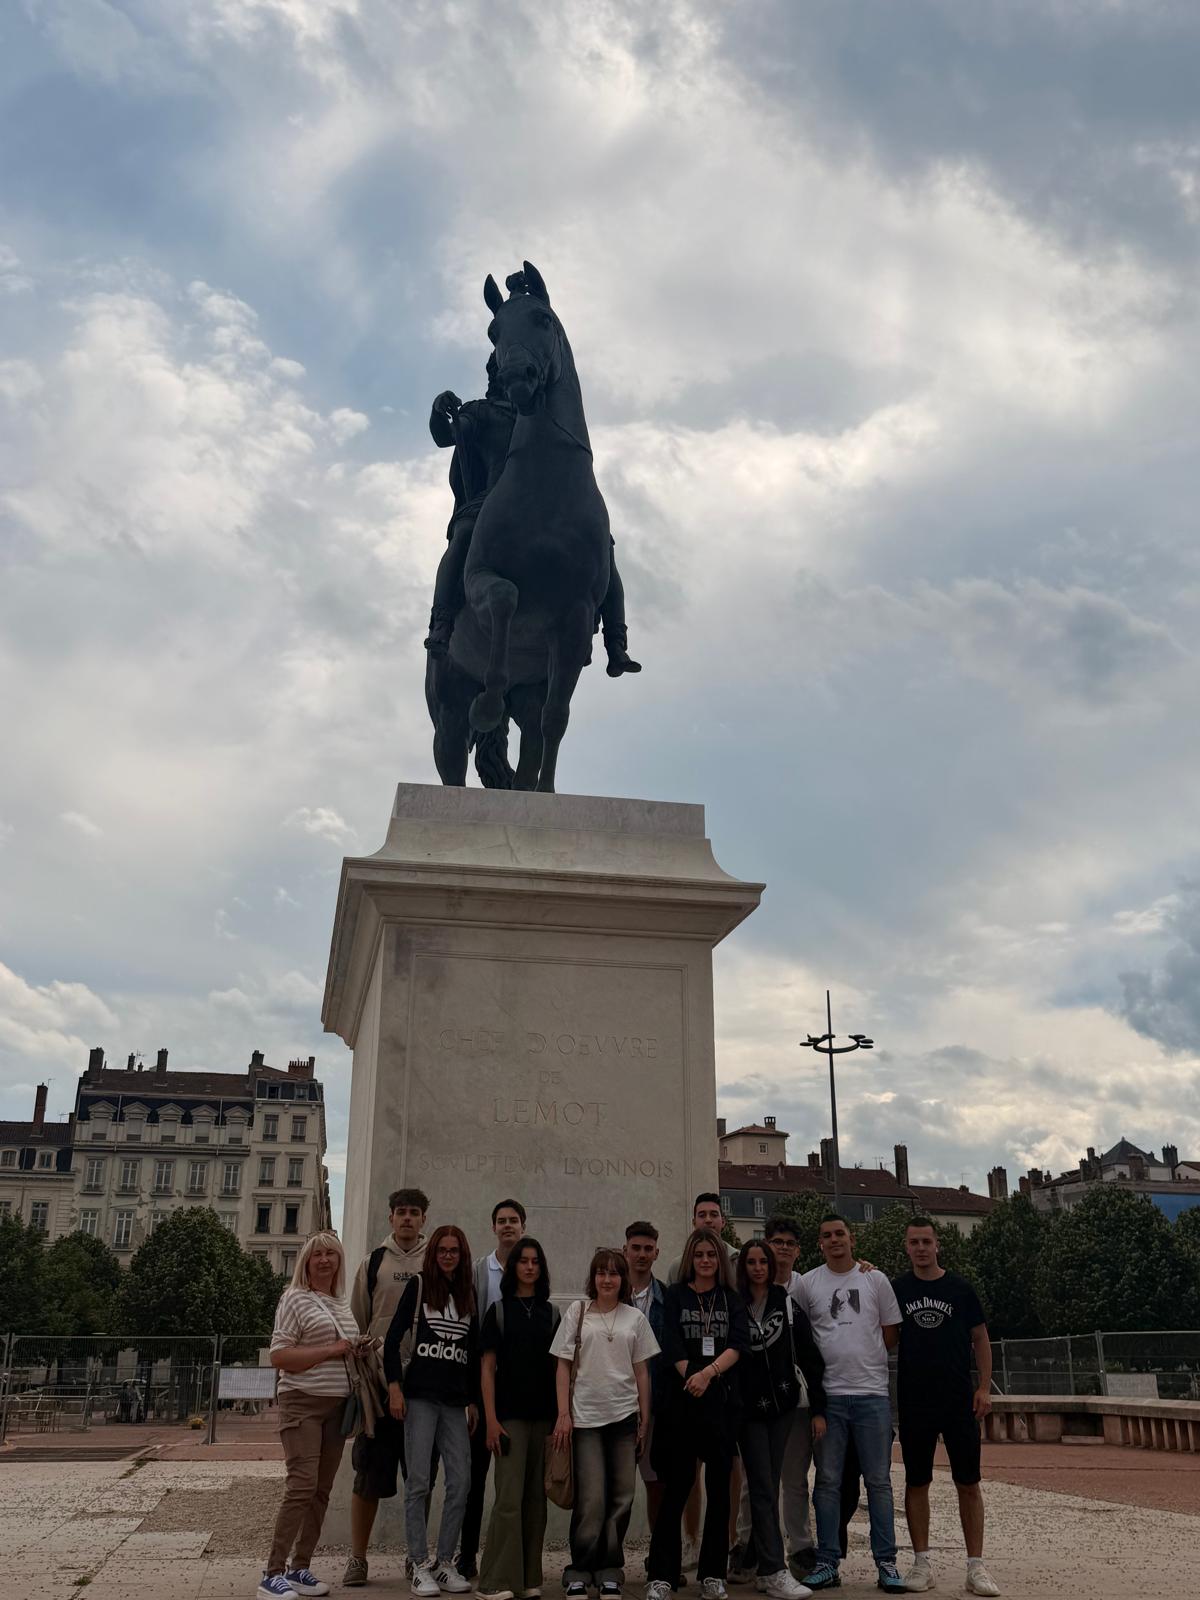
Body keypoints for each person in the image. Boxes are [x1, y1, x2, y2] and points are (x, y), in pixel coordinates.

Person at [424, 367, 640, 675]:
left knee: (603, 544)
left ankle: (615, 641)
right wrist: (438, 412)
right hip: (490, 504)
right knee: (464, 536)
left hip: (549, 507)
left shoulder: (546, 416)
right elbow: (446, 437)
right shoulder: (482, 412)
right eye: (504, 372)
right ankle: (442, 621)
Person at [793, 1216, 904, 1594]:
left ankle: (886, 1563)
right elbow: (802, 1333)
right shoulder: (808, 1283)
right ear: (819, 1244)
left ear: (851, 1238)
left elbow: (889, 1332)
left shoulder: (875, 1279)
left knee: (879, 1483)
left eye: (840, 1233)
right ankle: (827, 1562)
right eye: (826, 1236)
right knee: (826, 1482)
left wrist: (863, 1358)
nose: (834, 1240)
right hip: (831, 1397)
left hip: (872, 1395)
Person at [893, 1219, 1000, 1597]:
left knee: (968, 1483)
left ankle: (976, 1566)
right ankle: (921, 1562)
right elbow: (887, 1336)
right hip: (915, 1400)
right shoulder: (898, 1289)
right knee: (916, 1481)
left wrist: (984, 1388)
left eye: (926, 1241)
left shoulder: (960, 1289)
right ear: (906, 1247)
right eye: (913, 1242)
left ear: (937, 1245)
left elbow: (981, 1339)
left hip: (958, 1399)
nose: (920, 1247)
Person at [260, 1231, 366, 1600]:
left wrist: (356, 1350)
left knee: (320, 1491)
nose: (324, 1260)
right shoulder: (294, 1298)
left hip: (336, 1408)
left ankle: (300, 1567)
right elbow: (280, 1356)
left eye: (331, 1254)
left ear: (339, 1261)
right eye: (317, 1254)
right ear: (306, 1261)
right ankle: (272, 1573)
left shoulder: (340, 1304)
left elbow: (342, 1349)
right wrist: (332, 1349)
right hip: (301, 1402)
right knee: (301, 1485)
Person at [645, 1228, 749, 1600]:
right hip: (681, 1404)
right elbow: (669, 1342)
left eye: (711, 1255)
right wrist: (692, 1377)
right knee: (676, 1491)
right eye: (700, 1254)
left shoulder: (730, 1299)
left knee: (720, 1494)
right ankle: (662, 1574)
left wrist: (708, 1374)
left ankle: (712, 1575)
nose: (705, 1261)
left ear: (720, 1260)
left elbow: (738, 1344)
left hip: (720, 1405)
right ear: (690, 1259)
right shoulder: (675, 1296)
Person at [550, 1246, 659, 1599]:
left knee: (622, 1497)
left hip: (624, 1419)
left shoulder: (635, 1319)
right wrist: (563, 1414)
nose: (607, 1279)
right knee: (592, 1499)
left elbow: (642, 1371)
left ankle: (610, 1567)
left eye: (613, 1273)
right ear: (593, 1278)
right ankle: (580, 1568)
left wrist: (644, 1419)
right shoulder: (578, 1313)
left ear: (622, 1279)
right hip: (585, 1420)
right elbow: (563, 1365)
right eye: (601, 1272)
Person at [384, 1225, 480, 1598]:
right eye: (442, 1250)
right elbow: (392, 1341)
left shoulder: (468, 1293)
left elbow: (471, 1354)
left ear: (463, 1254)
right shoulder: (420, 1286)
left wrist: (473, 1399)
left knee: (461, 1482)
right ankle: (418, 1563)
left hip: (455, 1403)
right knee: (419, 1483)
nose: (448, 1256)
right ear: (433, 1253)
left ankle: (444, 1562)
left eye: (454, 1250)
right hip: (420, 1398)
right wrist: (394, 1388)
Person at [345, 1187, 431, 1587]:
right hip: (379, 1388)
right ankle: (357, 1558)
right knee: (368, 1476)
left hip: (425, 1386)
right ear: (391, 1217)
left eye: (415, 1212)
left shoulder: (437, 1261)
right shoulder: (373, 1262)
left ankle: (417, 1558)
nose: (408, 1218)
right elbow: (358, 1322)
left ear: (424, 1218)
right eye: (401, 1212)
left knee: (420, 1479)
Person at [734, 1241, 827, 1600]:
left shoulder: (787, 1303)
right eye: (751, 1262)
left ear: (772, 1266)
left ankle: (762, 1565)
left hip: (784, 1406)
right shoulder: (734, 1303)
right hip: (748, 1411)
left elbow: (810, 1356)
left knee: (769, 1484)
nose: (758, 1268)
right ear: (743, 1266)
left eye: (763, 1262)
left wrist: (819, 1408)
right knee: (761, 1485)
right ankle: (772, 1569)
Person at [476, 1238, 560, 1600]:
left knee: (535, 1503)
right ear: (513, 1269)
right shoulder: (497, 1311)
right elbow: (487, 1369)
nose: (529, 1267)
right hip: (509, 1418)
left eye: (534, 1261)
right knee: (508, 1500)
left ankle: (528, 1578)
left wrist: (562, 1418)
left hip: (544, 1418)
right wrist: (491, 1419)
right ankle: (494, 1580)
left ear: (541, 1268)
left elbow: (560, 1370)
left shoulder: (552, 1314)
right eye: (523, 1261)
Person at [459, 1200, 528, 1580]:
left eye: (513, 1221)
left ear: (523, 1225)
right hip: (484, 1380)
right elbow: (470, 1333)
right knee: (475, 1478)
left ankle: (512, 1556)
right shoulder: (478, 1271)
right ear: (493, 1227)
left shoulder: (529, 1268)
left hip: (517, 1387)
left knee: (514, 1480)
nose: (507, 1226)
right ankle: (467, 1556)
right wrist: (471, 1395)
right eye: (501, 1221)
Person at [623, 1221, 667, 1532]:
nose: (641, 1254)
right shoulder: (607, 1294)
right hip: (618, 1407)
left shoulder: (668, 1297)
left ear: (656, 1253)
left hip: (657, 1408)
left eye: (647, 1249)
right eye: (636, 1248)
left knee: (657, 1484)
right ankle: (611, 1561)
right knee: (618, 1489)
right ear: (625, 1250)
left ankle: (661, 1559)